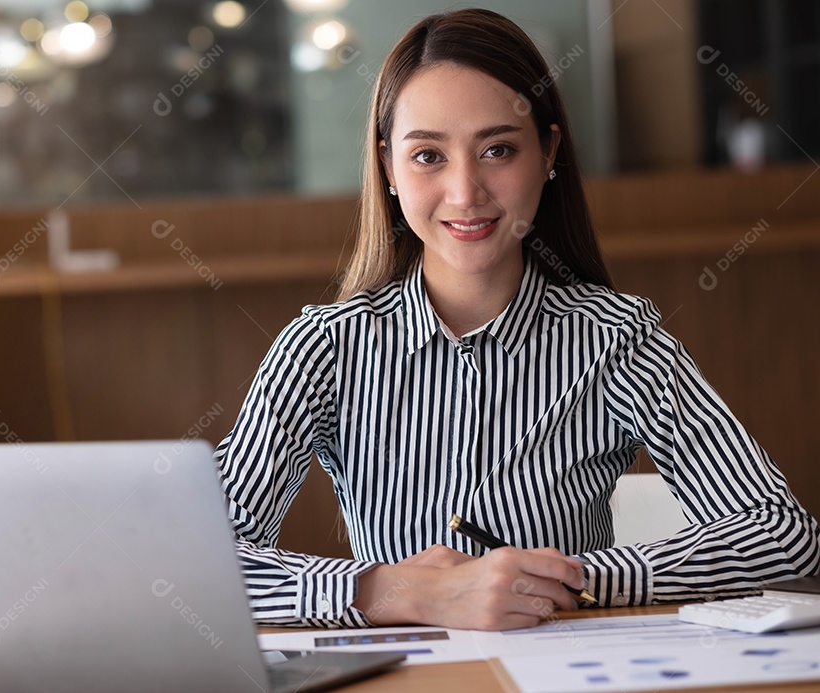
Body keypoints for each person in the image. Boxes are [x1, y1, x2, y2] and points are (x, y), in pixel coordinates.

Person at [214, 8, 820, 631]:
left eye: (498, 149)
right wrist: (396, 592)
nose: (465, 192)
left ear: (549, 151)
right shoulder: (325, 348)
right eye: (427, 156)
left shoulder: (617, 339)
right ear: (389, 167)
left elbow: (782, 533)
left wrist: (576, 578)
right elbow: (203, 563)